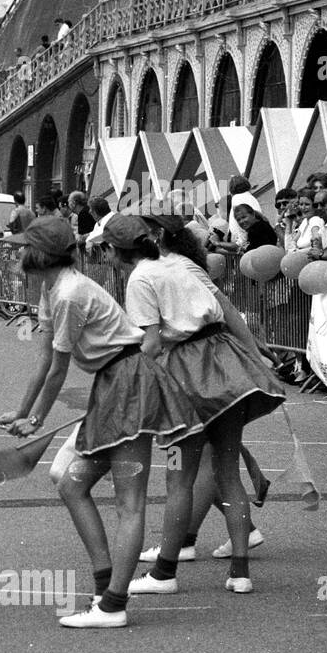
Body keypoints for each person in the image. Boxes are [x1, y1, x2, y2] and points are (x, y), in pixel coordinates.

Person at [0, 216, 201, 628]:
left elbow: (58, 368)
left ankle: (112, 605)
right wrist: (22, 413)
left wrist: (35, 419)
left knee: (130, 502)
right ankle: (106, 583)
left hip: (129, 384)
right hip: (115, 383)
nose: (16, 251)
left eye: (23, 246)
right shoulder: (53, 287)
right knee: (72, 484)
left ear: (39, 254)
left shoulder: (71, 293)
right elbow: (44, 358)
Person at [103, 214, 285, 597]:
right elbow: (226, 310)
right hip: (226, 362)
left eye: (105, 250)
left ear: (116, 250)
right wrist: (254, 354)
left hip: (187, 372)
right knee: (227, 472)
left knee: (179, 479)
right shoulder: (180, 264)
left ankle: (165, 572)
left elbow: (151, 344)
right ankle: (240, 572)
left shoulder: (139, 279)